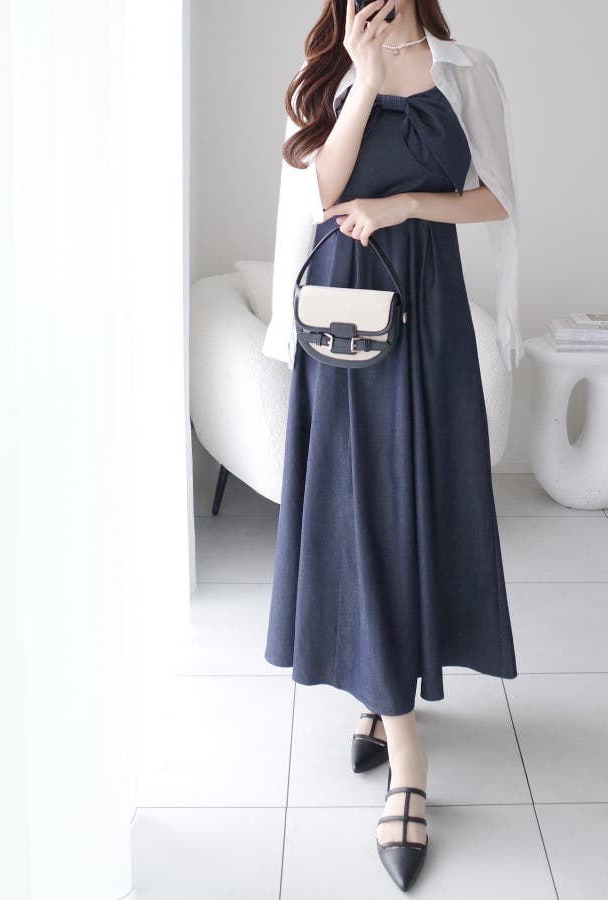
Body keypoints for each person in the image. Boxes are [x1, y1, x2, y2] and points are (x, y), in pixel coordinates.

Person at [262, 0, 520, 890]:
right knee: (363, 511)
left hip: (431, 309)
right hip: (349, 316)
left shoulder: (466, 70)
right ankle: (407, 756)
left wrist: (404, 204)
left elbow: (497, 198)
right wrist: (365, 81)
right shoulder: (326, 77)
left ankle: (384, 689)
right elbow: (320, 197)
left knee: (422, 502)